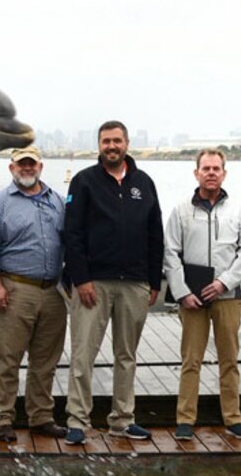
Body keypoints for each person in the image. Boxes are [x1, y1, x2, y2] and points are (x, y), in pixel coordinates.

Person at [62, 120, 164, 445]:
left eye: (117, 141)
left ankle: (123, 419)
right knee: (82, 355)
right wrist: (82, 279)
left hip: (134, 282)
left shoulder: (144, 183)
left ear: (127, 143)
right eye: (106, 141)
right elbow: (72, 235)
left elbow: (154, 235)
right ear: (99, 145)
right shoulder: (83, 182)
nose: (111, 146)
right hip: (94, 283)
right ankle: (78, 420)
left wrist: (153, 281)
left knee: (127, 355)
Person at [163, 149, 241, 441]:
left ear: (224, 173)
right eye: (206, 168)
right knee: (191, 359)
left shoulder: (239, 210)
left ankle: (233, 418)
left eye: (217, 168)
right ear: (196, 173)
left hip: (227, 296)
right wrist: (181, 293)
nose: (211, 173)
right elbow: (170, 253)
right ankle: (185, 419)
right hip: (192, 298)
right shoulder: (180, 210)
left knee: (229, 358)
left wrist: (224, 282)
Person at [0, 146, 69, 442]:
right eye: (21, 164)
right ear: (11, 168)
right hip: (15, 289)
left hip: (52, 290)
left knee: (46, 359)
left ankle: (40, 416)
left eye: (32, 164)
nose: (27, 168)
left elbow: (69, 241)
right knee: (8, 358)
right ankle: (3, 418)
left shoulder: (56, 200)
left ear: (41, 166)